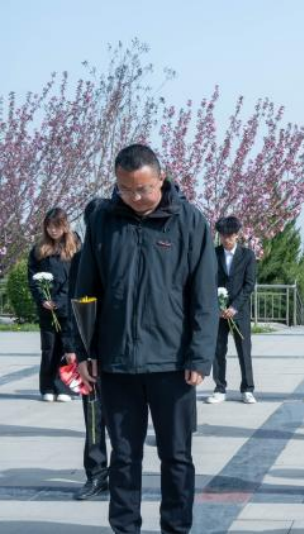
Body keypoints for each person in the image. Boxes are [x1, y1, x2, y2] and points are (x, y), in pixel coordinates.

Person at [75, 144, 217, 533]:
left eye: (143, 188)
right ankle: (125, 528)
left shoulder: (189, 221)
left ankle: (176, 527)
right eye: (125, 189)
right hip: (117, 363)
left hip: (173, 363)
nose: (135, 197)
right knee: (123, 457)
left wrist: (199, 356)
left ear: (161, 179)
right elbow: (86, 290)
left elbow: (204, 296)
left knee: (177, 456)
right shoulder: (103, 221)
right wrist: (85, 351)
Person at [64, 198, 110, 500]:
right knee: (93, 415)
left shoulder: (122, 253)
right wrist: (74, 349)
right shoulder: (80, 260)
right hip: (89, 352)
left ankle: (124, 474)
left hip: (121, 351)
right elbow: (74, 305)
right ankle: (96, 473)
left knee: (123, 420)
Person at [28, 207, 80, 403]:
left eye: (56, 226)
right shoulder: (39, 249)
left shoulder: (75, 246)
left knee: (69, 348)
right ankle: (48, 387)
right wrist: (43, 299)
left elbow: (77, 276)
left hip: (68, 306)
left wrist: (60, 300)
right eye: (49, 226)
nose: (53, 230)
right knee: (49, 348)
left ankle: (65, 387)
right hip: (47, 308)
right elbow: (33, 277)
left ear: (65, 225)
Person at [206, 215, 257, 405]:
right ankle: (220, 388)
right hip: (218, 312)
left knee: (244, 351)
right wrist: (218, 306)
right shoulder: (213, 254)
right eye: (222, 235)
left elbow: (249, 284)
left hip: (240, 312)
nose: (226, 239)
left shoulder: (248, 255)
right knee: (218, 351)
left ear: (237, 235)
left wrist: (234, 307)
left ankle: (247, 389)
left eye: (230, 235)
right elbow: (208, 282)